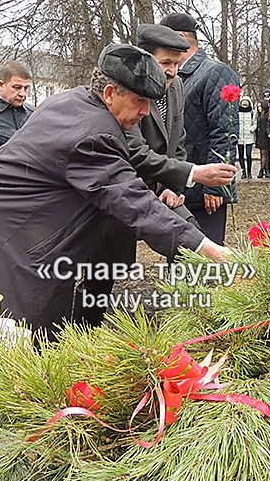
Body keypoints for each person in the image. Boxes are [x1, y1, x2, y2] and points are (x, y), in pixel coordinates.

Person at [0, 44, 234, 334]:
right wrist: (210, 250)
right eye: (141, 101)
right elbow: (135, 203)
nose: (146, 113)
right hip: (0, 235)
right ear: (110, 92)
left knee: (36, 329)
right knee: (12, 338)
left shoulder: (77, 101)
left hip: (2, 219)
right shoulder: (93, 134)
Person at [77, 24, 237, 325]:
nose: (173, 71)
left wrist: (172, 185)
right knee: (104, 272)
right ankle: (83, 329)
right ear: (145, 60)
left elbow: (178, 141)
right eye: (166, 63)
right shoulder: (128, 90)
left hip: (162, 189)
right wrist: (194, 174)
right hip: (120, 190)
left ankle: (187, 317)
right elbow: (135, 151)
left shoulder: (175, 87)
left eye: (178, 63)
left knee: (191, 243)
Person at [159, 12, 239, 244]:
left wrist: (215, 188)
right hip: (182, 185)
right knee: (181, 254)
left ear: (181, 39)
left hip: (206, 193)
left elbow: (225, 133)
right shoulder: (176, 76)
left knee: (204, 262)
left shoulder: (215, 73)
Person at [237, 95, 256, 179]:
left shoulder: (252, 112)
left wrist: (251, 129)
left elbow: (255, 123)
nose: (244, 105)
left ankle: (249, 172)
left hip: (249, 137)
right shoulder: (237, 112)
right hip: (240, 137)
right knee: (241, 155)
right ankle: (243, 171)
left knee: (248, 154)